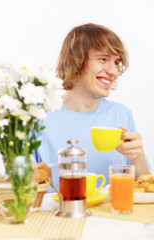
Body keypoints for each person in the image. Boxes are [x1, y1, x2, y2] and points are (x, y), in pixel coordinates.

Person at [34, 23, 151, 192]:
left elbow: (144, 188)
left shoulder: (121, 114)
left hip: (114, 216)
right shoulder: (37, 116)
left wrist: (138, 158)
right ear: (76, 61)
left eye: (116, 62)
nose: (113, 71)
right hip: (57, 217)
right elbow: (18, 189)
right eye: (103, 59)